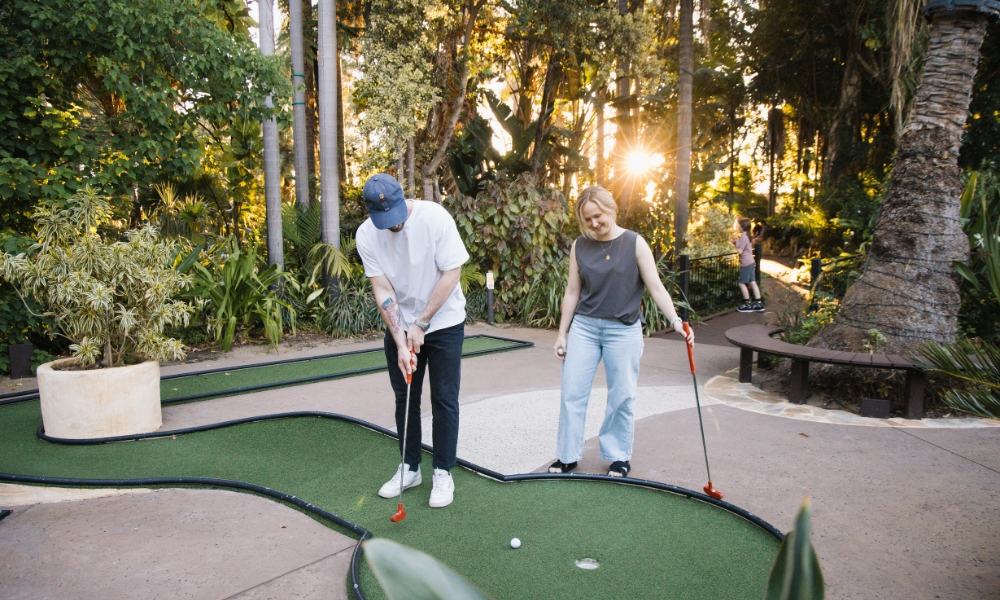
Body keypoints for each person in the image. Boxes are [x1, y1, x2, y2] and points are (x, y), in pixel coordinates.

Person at [549, 186, 694, 478]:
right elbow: (572, 291)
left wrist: (676, 321)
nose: (593, 224)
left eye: (597, 216)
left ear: (610, 208)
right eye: (587, 219)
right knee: (572, 393)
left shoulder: (635, 243)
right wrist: (562, 333)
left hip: (623, 330)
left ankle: (617, 457)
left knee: (622, 395)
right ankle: (567, 456)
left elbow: (655, 286)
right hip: (585, 328)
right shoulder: (580, 245)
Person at [355, 173, 470, 509]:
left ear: (403, 198)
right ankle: (410, 467)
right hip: (401, 324)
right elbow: (383, 289)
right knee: (405, 396)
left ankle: (443, 472)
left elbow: (452, 273)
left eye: (395, 216)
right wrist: (401, 339)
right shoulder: (366, 234)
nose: (392, 226)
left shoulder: (435, 218)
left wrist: (421, 323)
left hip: (445, 320)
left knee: (445, 398)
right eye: (383, 220)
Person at [733, 218, 763, 313]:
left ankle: (747, 304)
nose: (738, 227)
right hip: (751, 261)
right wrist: (737, 243)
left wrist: (735, 244)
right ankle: (758, 303)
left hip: (745, 263)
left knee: (741, 283)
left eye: (739, 226)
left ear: (743, 227)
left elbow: (740, 251)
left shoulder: (743, 237)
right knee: (753, 281)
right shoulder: (748, 236)